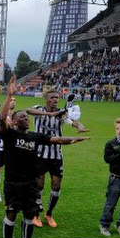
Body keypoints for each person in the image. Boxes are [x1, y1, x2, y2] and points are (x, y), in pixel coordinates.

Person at [0, 76, 89, 238]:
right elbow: (2, 118)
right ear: (14, 122)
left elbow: (55, 139)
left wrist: (74, 140)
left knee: (30, 215)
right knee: (12, 214)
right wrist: (9, 96)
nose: (26, 118)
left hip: (30, 182)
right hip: (14, 182)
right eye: (21, 116)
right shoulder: (9, 135)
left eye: (26, 117)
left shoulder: (35, 136)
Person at [27, 89, 89, 227]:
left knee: (56, 184)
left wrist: (80, 126)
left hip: (56, 155)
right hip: (39, 154)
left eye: (57, 97)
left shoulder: (61, 113)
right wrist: (49, 114)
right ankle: (36, 213)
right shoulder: (39, 109)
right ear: (46, 99)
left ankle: (49, 213)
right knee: (39, 185)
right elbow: (28, 111)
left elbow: (72, 122)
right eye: (52, 97)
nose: (55, 100)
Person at [0, 96, 15, 203]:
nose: (13, 102)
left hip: (13, 148)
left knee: (12, 170)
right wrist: (10, 125)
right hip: (1, 147)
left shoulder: (16, 115)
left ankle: (10, 191)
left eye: (14, 100)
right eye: (11, 100)